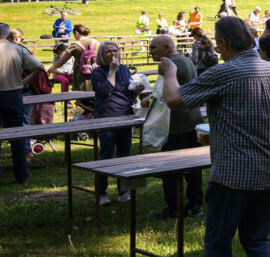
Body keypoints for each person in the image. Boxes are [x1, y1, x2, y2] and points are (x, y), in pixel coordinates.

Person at [160, 16, 270, 257]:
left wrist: (170, 73)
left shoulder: (226, 71)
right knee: (258, 239)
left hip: (233, 175)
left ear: (222, 43)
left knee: (218, 245)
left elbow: (175, 101)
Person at [148, 35, 204, 220]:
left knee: (170, 167)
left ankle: (173, 207)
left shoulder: (169, 65)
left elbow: (167, 95)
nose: (151, 51)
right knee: (194, 166)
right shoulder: (186, 60)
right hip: (193, 120)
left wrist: (149, 101)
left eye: (154, 48)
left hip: (177, 123)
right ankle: (196, 204)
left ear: (166, 48)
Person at [92, 41, 145, 204]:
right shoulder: (97, 72)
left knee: (124, 155)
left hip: (125, 116)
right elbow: (106, 90)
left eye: (115, 50)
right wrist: (112, 71)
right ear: (102, 55)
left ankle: (124, 191)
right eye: (108, 51)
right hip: (107, 117)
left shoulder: (124, 69)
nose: (113, 54)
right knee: (106, 156)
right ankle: (101, 193)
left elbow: (127, 91)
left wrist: (136, 90)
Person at [0, 23, 43, 183]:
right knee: (17, 137)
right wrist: (24, 81)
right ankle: (21, 175)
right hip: (13, 95)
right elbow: (39, 66)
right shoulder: (17, 49)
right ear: (8, 35)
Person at [46, 23, 100, 91]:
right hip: (96, 77)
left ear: (76, 33)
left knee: (81, 100)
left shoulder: (75, 45)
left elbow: (61, 62)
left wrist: (50, 69)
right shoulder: (97, 43)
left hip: (81, 79)